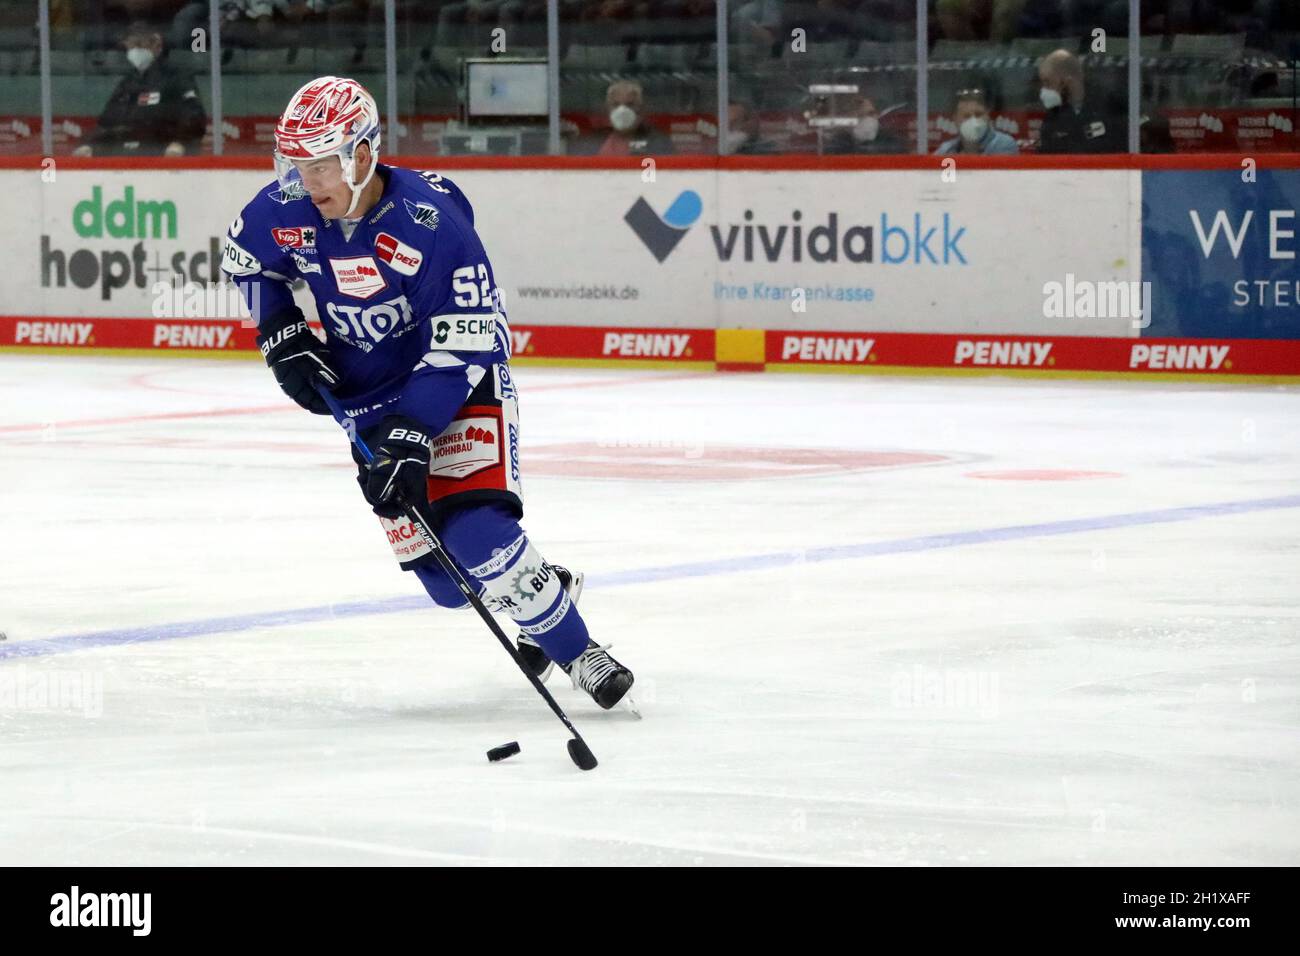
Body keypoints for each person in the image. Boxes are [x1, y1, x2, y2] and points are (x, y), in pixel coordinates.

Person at [220, 76, 634, 709]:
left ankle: (580, 653)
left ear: (363, 153)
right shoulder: (285, 210)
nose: (310, 182)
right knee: (446, 585)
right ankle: (544, 586)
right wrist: (279, 332)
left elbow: (464, 342)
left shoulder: (431, 223)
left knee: (475, 531)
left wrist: (415, 433)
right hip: (365, 403)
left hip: (460, 386)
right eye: (298, 166)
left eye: (323, 164)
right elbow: (245, 263)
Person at [72, 22, 206, 157]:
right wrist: (89, 144)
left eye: (139, 45)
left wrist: (180, 143)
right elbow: (107, 121)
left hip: (161, 153)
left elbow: (194, 117)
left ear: (157, 45)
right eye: (130, 46)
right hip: (123, 154)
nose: (134, 51)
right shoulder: (128, 82)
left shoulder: (176, 76)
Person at [1036, 48, 1125, 153]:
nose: (1044, 90)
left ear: (1068, 81)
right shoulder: (1053, 117)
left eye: (1048, 82)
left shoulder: (1110, 105)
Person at [575, 79, 676, 156]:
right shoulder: (592, 142)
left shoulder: (657, 142)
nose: (622, 110)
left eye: (630, 105)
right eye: (615, 104)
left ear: (641, 109)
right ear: (607, 109)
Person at [935, 88, 1019, 155]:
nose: (973, 120)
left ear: (987, 115)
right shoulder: (946, 150)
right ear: (956, 120)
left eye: (978, 114)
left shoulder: (1003, 144)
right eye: (967, 116)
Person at [822, 93, 905, 154]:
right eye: (860, 115)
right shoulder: (836, 145)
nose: (867, 120)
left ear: (877, 115)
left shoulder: (891, 143)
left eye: (870, 114)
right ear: (849, 116)